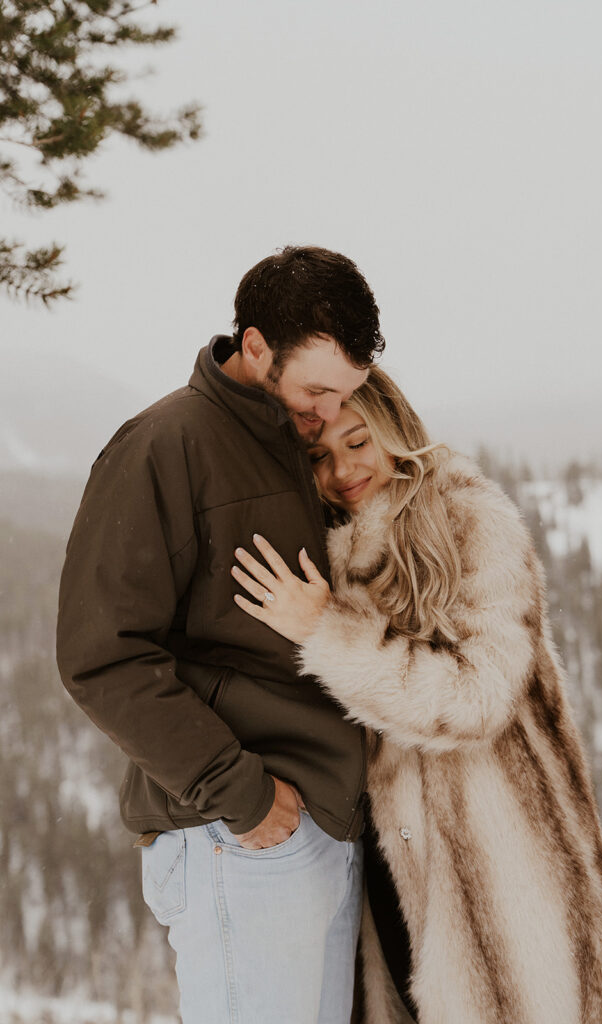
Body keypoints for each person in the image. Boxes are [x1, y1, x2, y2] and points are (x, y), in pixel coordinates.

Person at [231, 366, 602, 1024]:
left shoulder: (470, 522)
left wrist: (323, 631)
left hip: (510, 895)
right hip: (397, 885)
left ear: (394, 428)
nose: (340, 471)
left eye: (357, 441)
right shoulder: (329, 553)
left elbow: (476, 700)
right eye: (318, 456)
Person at [56, 246, 386, 1024]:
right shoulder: (165, 445)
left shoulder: (298, 448)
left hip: (322, 825)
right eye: (317, 389)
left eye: (349, 395)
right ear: (255, 346)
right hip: (241, 835)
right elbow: (100, 656)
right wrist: (237, 794)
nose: (332, 414)